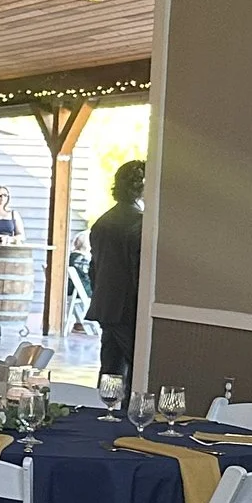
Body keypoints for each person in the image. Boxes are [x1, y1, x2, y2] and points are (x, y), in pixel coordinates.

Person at [89, 161, 145, 379]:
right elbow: (137, 269)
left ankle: (105, 409)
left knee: (110, 369)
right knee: (137, 370)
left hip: (105, 303)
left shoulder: (102, 221)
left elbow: (94, 268)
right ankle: (127, 412)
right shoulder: (139, 223)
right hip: (127, 306)